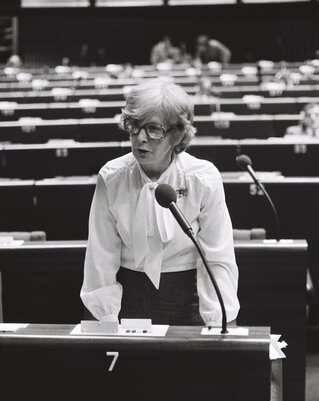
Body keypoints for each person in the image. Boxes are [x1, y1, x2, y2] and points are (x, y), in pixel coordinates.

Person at [81, 78, 239, 327]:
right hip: (128, 294)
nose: (140, 138)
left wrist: (219, 321)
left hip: (192, 294)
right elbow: (101, 257)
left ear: (178, 134)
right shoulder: (112, 176)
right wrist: (107, 319)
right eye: (134, 126)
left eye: (154, 129)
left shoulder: (203, 177)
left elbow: (217, 257)